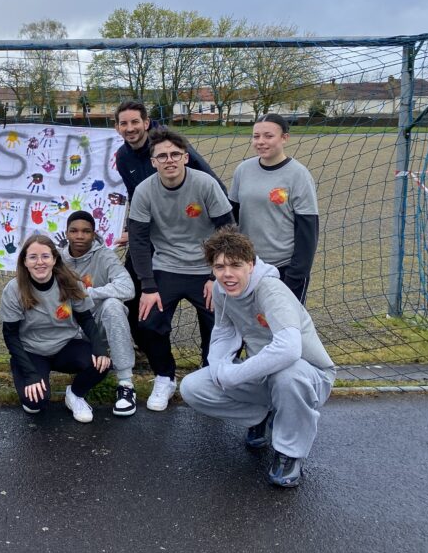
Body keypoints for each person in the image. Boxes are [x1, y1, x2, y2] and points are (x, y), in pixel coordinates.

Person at [180, 227, 335, 488]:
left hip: (310, 375)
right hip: (265, 374)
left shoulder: (271, 290)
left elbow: (289, 349)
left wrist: (236, 375)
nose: (227, 274)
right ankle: (263, 417)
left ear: (250, 265)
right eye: (219, 267)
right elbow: (222, 334)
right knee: (193, 387)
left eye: (235, 265)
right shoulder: (222, 290)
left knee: (288, 375)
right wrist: (220, 370)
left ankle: (290, 452)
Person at [113, 100, 227, 385]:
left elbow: (220, 208)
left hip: (199, 249)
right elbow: (139, 202)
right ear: (117, 128)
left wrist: (220, 268)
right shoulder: (123, 158)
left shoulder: (173, 150)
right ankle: (152, 360)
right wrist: (135, 228)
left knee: (214, 311)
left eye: (134, 122)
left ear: (146, 122)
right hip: (156, 244)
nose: (130, 128)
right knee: (135, 296)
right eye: (124, 123)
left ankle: (212, 365)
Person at [128, 127, 234, 412]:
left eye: (175, 154)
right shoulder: (144, 190)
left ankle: (210, 375)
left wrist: (217, 276)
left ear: (186, 157)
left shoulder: (205, 184)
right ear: (153, 162)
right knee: (148, 323)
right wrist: (148, 286)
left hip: (205, 269)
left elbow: (228, 230)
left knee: (220, 324)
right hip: (166, 267)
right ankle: (165, 377)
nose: (169, 160)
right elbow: (137, 240)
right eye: (162, 156)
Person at [1, 234, 111, 423]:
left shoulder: (70, 283)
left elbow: (86, 319)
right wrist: (31, 374)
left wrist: (100, 347)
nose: (39, 262)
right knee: (35, 404)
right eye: (33, 257)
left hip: (65, 346)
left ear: (54, 259)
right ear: (24, 262)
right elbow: (10, 336)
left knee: (102, 362)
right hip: (31, 351)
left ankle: (75, 394)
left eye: (45, 256)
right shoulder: (14, 289)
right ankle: (25, 372)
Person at [229, 114, 319, 303]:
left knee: (283, 327)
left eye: (268, 136)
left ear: (284, 138)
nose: (260, 142)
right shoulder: (243, 170)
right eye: (256, 136)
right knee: (249, 325)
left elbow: (307, 231)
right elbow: (232, 219)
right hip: (248, 265)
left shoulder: (299, 175)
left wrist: (295, 275)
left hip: (283, 268)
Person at [56, 211, 137, 416]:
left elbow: (128, 288)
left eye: (86, 231)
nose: (80, 236)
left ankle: (125, 383)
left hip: (96, 321)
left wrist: (88, 293)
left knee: (113, 305)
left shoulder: (104, 255)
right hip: (68, 325)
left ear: (94, 234)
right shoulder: (56, 258)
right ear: (66, 233)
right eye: (74, 231)